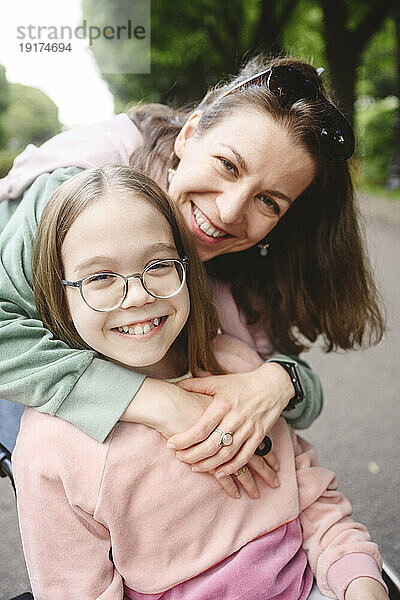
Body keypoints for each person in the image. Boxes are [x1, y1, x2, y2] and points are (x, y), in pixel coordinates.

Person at [0, 56, 384, 495]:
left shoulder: (243, 257)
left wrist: (278, 382)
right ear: (188, 135)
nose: (228, 210)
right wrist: (156, 401)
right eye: (228, 165)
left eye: (270, 202)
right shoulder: (74, 199)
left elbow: (292, 374)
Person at [13, 165, 388, 600]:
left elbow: (318, 511)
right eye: (99, 277)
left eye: (158, 265)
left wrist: (361, 582)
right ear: (59, 293)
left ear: (186, 269)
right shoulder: (50, 449)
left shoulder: (236, 365)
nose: (137, 295)